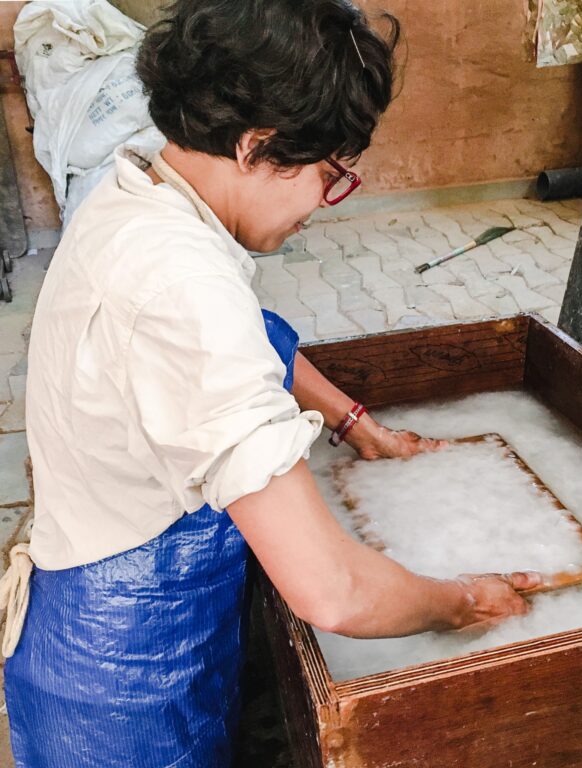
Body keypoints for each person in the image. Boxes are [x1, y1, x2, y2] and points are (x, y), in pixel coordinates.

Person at [2, 1, 540, 766]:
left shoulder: (144, 192)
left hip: (101, 626)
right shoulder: (181, 287)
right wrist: (465, 602)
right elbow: (334, 592)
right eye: (331, 173)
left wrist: (361, 428)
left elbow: (253, 344)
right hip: (124, 693)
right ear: (257, 146)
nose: (325, 202)